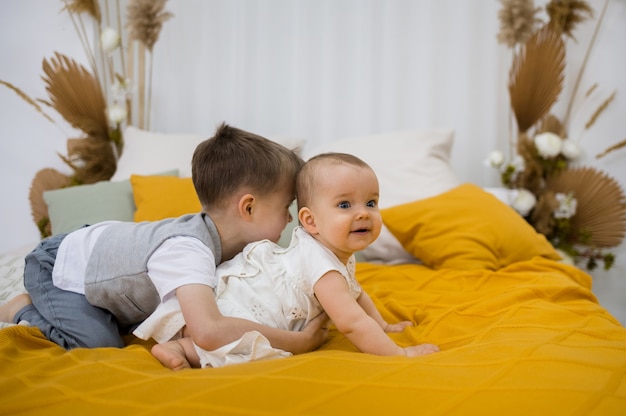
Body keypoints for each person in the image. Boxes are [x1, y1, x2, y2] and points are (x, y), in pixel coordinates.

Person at [0, 122, 328, 356]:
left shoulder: (232, 246)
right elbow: (209, 330)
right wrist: (297, 342)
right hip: (62, 270)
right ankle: (21, 307)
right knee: (99, 346)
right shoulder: (188, 250)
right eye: (287, 206)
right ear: (249, 207)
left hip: (107, 262)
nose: (289, 218)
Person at [142, 152, 439, 370]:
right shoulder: (319, 262)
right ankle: (184, 349)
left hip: (236, 302)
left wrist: (383, 326)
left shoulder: (332, 253)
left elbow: (355, 292)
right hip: (242, 307)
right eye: (345, 204)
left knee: (246, 343)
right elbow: (350, 322)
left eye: (371, 202)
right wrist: (399, 355)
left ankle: (181, 346)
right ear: (310, 220)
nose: (363, 213)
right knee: (247, 348)